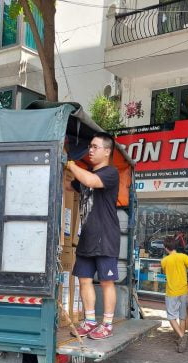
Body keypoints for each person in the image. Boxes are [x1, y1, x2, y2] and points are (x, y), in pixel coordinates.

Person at [65, 132, 120, 340]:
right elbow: (71, 185)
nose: (91, 149)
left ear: (107, 151)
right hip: (87, 237)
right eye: (90, 146)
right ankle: (89, 321)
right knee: (84, 280)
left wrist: (70, 163)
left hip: (105, 236)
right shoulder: (85, 174)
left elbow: (90, 180)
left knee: (106, 282)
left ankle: (107, 324)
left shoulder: (110, 173)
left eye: (95, 146)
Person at [161, 237, 188, 353]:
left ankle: (182, 336)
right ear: (176, 246)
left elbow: (165, 272)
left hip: (171, 292)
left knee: (171, 317)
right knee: (182, 317)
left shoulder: (164, 261)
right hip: (184, 291)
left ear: (166, 248)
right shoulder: (183, 257)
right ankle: (181, 341)